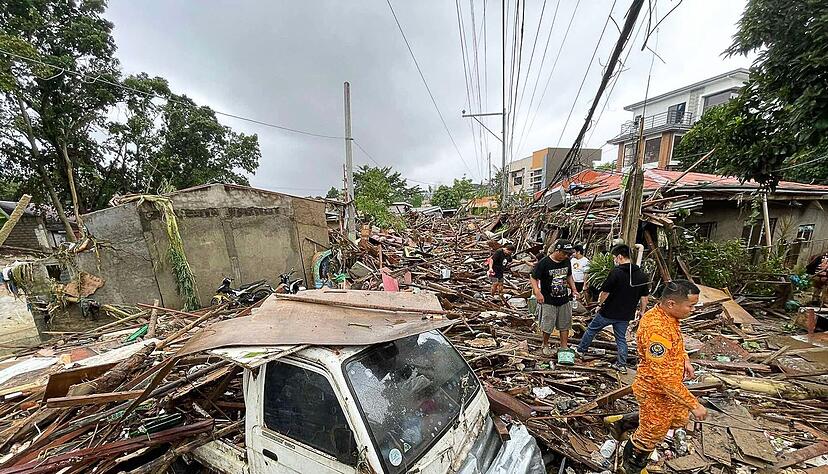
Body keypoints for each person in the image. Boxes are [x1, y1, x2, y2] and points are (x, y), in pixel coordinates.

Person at [621, 280, 708, 474]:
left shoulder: (669, 317)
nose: (693, 310)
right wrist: (693, 404)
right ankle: (631, 467)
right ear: (671, 303)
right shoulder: (657, 329)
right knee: (652, 432)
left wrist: (685, 359)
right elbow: (664, 378)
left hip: (668, 390)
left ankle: (621, 423)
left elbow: (676, 344)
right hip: (654, 389)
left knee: (677, 419)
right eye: (691, 306)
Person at [575, 244, 649, 373]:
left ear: (620, 257)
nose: (614, 260)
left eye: (615, 257)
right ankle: (622, 364)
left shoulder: (616, 272)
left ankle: (581, 350)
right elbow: (644, 297)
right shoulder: (641, 275)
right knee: (621, 338)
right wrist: (642, 311)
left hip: (608, 312)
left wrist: (599, 305)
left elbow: (605, 292)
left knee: (592, 329)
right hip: (626, 314)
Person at [531, 240, 579, 356]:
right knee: (548, 324)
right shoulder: (544, 263)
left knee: (565, 324)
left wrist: (574, 289)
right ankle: (545, 344)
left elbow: (569, 276)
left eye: (568, 254)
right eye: (564, 253)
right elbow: (533, 277)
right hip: (548, 299)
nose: (566, 256)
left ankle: (564, 346)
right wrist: (537, 292)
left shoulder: (566, 261)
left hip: (563, 299)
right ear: (557, 250)